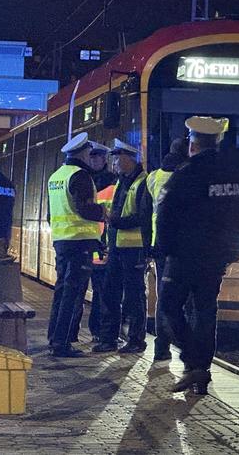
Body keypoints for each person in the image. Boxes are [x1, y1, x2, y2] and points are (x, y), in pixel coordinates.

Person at [156, 116, 239, 394]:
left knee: (170, 307)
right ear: (217, 141)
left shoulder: (187, 173)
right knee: (206, 309)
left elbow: (165, 214)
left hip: (184, 256)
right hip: (216, 257)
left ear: (192, 144)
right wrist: (235, 243)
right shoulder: (234, 174)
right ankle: (202, 369)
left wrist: (164, 249)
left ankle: (194, 360)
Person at [46, 132, 105, 357]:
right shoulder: (80, 176)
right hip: (79, 242)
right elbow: (84, 208)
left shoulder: (56, 176)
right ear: (83, 153)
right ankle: (61, 344)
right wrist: (103, 212)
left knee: (61, 291)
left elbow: (50, 214)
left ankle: (54, 338)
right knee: (73, 293)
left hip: (61, 241)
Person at [94, 139, 149, 354]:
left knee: (134, 296)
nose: (114, 163)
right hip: (116, 247)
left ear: (130, 159)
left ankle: (136, 340)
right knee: (110, 293)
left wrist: (116, 222)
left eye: (117, 158)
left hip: (134, 248)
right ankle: (109, 339)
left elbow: (143, 217)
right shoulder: (122, 181)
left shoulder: (142, 182)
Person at [140, 138, 188, 361]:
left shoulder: (154, 177)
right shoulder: (187, 175)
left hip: (159, 243)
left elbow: (146, 213)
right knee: (189, 298)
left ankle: (162, 347)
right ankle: (188, 348)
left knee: (164, 296)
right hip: (182, 245)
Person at [69, 142, 117, 343]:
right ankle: (72, 332)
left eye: (99, 157)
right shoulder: (83, 179)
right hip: (84, 243)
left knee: (101, 292)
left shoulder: (111, 183)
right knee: (77, 292)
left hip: (101, 246)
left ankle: (97, 331)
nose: (96, 160)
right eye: (93, 156)